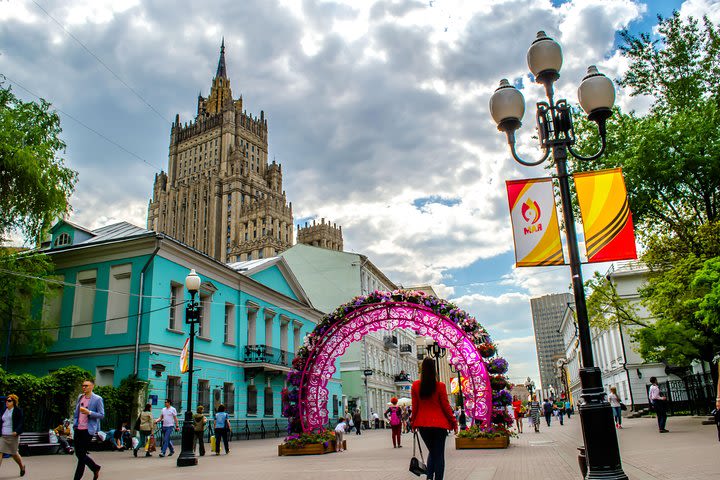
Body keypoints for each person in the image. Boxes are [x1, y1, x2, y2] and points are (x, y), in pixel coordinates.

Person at [411, 357, 458, 480]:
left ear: (422, 370)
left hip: (423, 426)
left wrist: (413, 423)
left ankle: (429, 478)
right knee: (439, 455)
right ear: (434, 370)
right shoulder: (440, 386)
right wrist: (453, 422)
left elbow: (414, 407)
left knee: (433, 452)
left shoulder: (415, 386)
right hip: (439, 426)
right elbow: (446, 407)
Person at [73, 379, 104, 480]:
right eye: (83, 385)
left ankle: (77, 478)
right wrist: (75, 424)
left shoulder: (97, 399)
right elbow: (76, 412)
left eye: (86, 385)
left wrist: (89, 412)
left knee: (81, 455)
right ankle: (95, 468)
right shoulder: (80, 397)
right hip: (78, 428)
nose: (84, 387)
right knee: (79, 454)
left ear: (92, 387)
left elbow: (101, 415)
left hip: (88, 430)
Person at [0, 394, 25, 477]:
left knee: (14, 454)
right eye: (6, 400)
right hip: (3, 435)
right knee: (0, 452)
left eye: (9, 400)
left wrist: (17, 431)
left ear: (14, 402)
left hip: (13, 436)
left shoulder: (18, 410)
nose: (7, 402)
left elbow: (21, 423)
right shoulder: (4, 410)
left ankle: (22, 466)